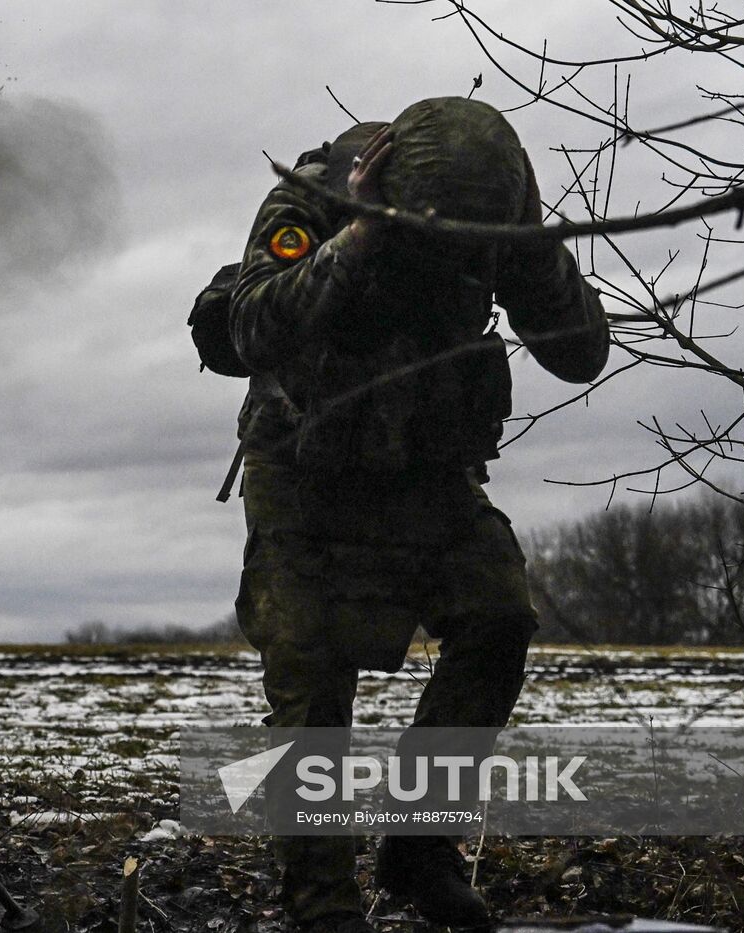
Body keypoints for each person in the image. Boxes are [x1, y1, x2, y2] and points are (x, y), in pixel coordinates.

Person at [227, 97, 609, 932]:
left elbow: (581, 353)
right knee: (311, 676)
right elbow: (249, 324)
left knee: (497, 616)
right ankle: (322, 902)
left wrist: (532, 251)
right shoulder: (316, 195)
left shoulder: (497, 219)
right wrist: (359, 236)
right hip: (306, 469)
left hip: (428, 470)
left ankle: (419, 842)